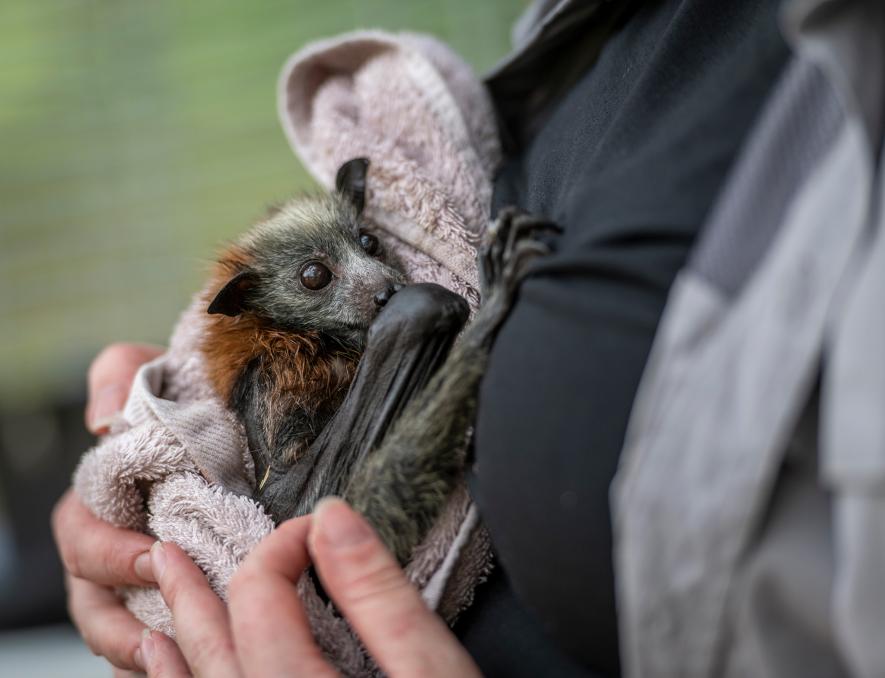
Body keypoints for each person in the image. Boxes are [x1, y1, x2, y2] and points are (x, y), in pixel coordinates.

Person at [52, 0, 790, 675]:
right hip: (333, 534)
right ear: (254, 305)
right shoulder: (283, 363)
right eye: (318, 279)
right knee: (417, 315)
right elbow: (279, 483)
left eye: (368, 246)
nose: (372, 276)